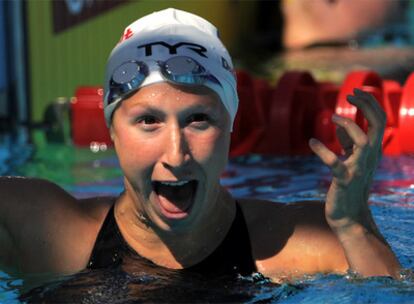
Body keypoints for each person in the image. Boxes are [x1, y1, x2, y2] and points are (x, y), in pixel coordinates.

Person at [0, 8, 400, 289]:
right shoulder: (46, 230)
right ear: (111, 132)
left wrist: (355, 226)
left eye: (198, 120)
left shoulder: (291, 245)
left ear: (231, 128)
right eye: (148, 121)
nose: (176, 155)